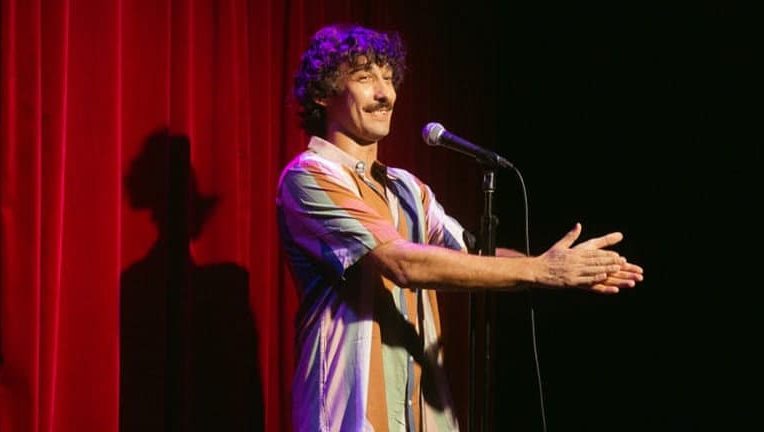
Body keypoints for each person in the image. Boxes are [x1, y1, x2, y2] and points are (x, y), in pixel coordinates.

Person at [276, 23, 644, 432]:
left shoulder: (408, 188)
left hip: (424, 416)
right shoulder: (309, 176)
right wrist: (541, 270)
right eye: (365, 78)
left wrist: (561, 266)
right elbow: (402, 264)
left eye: (389, 78)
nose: (385, 94)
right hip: (350, 414)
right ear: (323, 93)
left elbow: (474, 257)